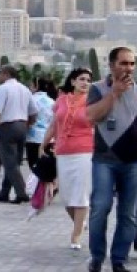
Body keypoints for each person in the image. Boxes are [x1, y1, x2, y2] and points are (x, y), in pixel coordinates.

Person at [86, 47, 137, 272]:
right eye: (123, 63)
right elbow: (92, 116)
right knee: (100, 208)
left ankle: (119, 260)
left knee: (129, 214)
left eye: (132, 63)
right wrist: (114, 93)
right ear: (112, 65)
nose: (128, 68)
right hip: (104, 160)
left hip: (133, 161)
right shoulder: (97, 89)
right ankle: (97, 257)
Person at [40, 68, 93, 250]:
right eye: (82, 79)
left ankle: (76, 235)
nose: (85, 83)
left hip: (85, 151)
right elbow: (54, 125)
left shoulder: (92, 101)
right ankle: (80, 223)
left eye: (88, 80)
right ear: (73, 81)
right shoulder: (61, 100)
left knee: (81, 193)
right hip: (63, 152)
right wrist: (43, 144)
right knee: (66, 196)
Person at [0, 64, 39, 204]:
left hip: (7, 126)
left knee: (9, 162)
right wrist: (28, 124)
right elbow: (34, 112)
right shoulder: (25, 89)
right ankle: (4, 192)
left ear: (6, 74)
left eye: (0, 73)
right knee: (15, 161)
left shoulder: (2, 89)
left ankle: (22, 193)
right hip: (22, 125)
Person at [27, 77, 55, 170]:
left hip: (33, 137)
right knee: (46, 167)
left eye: (31, 85)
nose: (29, 88)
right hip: (48, 137)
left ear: (36, 86)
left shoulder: (31, 100)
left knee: (34, 165)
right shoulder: (52, 101)